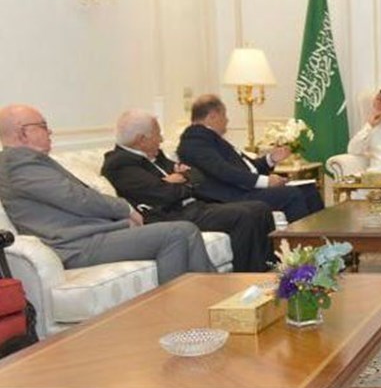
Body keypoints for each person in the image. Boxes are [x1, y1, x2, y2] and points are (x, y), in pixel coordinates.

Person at [0, 104, 214, 283]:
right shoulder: (19, 165)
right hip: (75, 246)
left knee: (186, 231)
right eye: (43, 126)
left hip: (91, 235)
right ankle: (181, 310)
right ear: (23, 132)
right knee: (177, 233)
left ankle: (212, 304)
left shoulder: (29, 162)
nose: (50, 132)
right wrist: (124, 208)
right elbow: (76, 198)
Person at [102, 109, 275, 273]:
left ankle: (271, 272)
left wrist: (179, 179)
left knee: (260, 208)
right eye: (157, 134)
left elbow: (197, 176)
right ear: (141, 140)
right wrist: (181, 182)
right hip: (172, 216)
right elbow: (164, 194)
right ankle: (246, 278)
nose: (161, 139)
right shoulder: (120, 165)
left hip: (193, 207)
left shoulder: (155, 155)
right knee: (243, 216)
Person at [177, 95, 324, 223]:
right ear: (212, 116)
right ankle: (300, 244)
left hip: (244, 189)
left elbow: (248, 167)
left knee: (308, 190)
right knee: (291, 195)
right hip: (233, 196)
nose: (227, 120)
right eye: (224, 116)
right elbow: (224, 171)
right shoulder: (195, 141)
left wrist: (271, 159)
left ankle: (323, 241)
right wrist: (266, 182)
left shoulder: (210, 138)